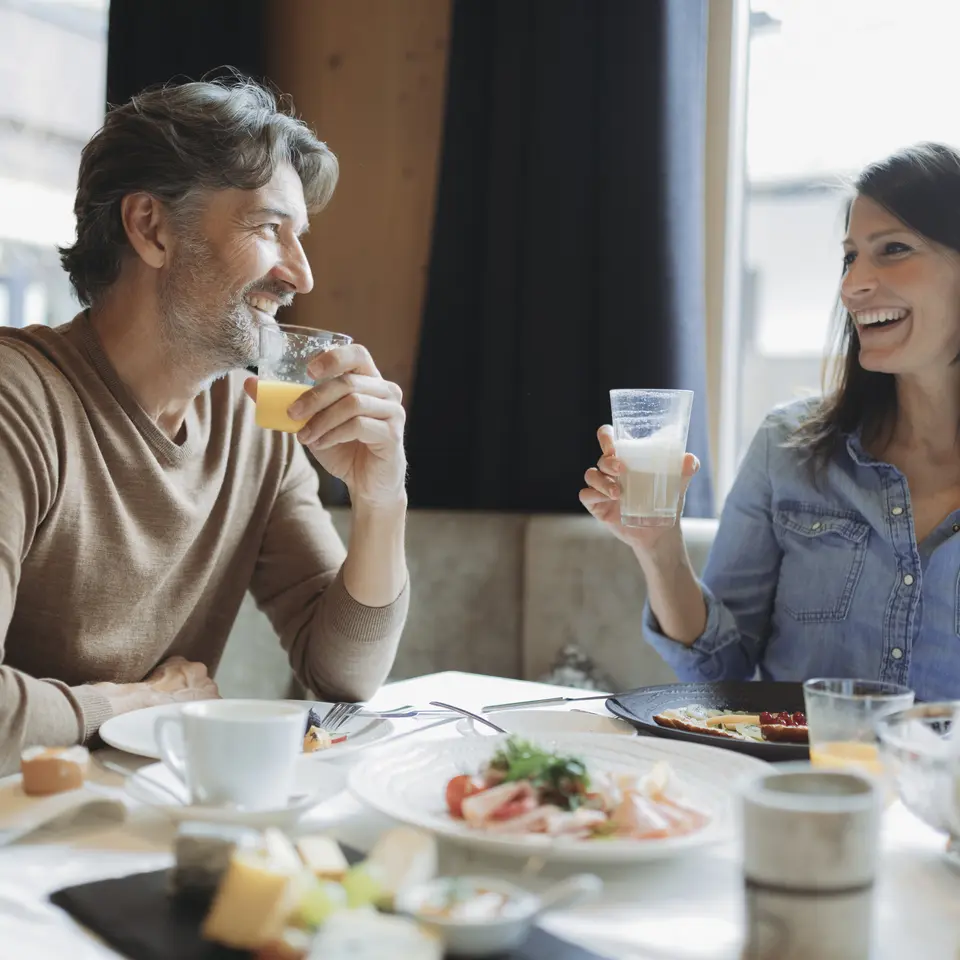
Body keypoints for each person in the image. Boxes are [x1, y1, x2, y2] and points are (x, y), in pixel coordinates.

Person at [0, 78, 410, 775]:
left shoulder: (256, 422)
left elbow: (342, 672)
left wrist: (381, 499)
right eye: (267, 228)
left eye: (299, 236)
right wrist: (134, 706)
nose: (301, 275)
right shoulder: (19, 401)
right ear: (151, 228)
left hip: (138, 812)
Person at [580, 142, 960, 703]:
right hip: (791, 786)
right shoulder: (787, 447)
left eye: (894, 249)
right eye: (850, 256)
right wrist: (658, 546)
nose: (852, 286)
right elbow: (720, 671)